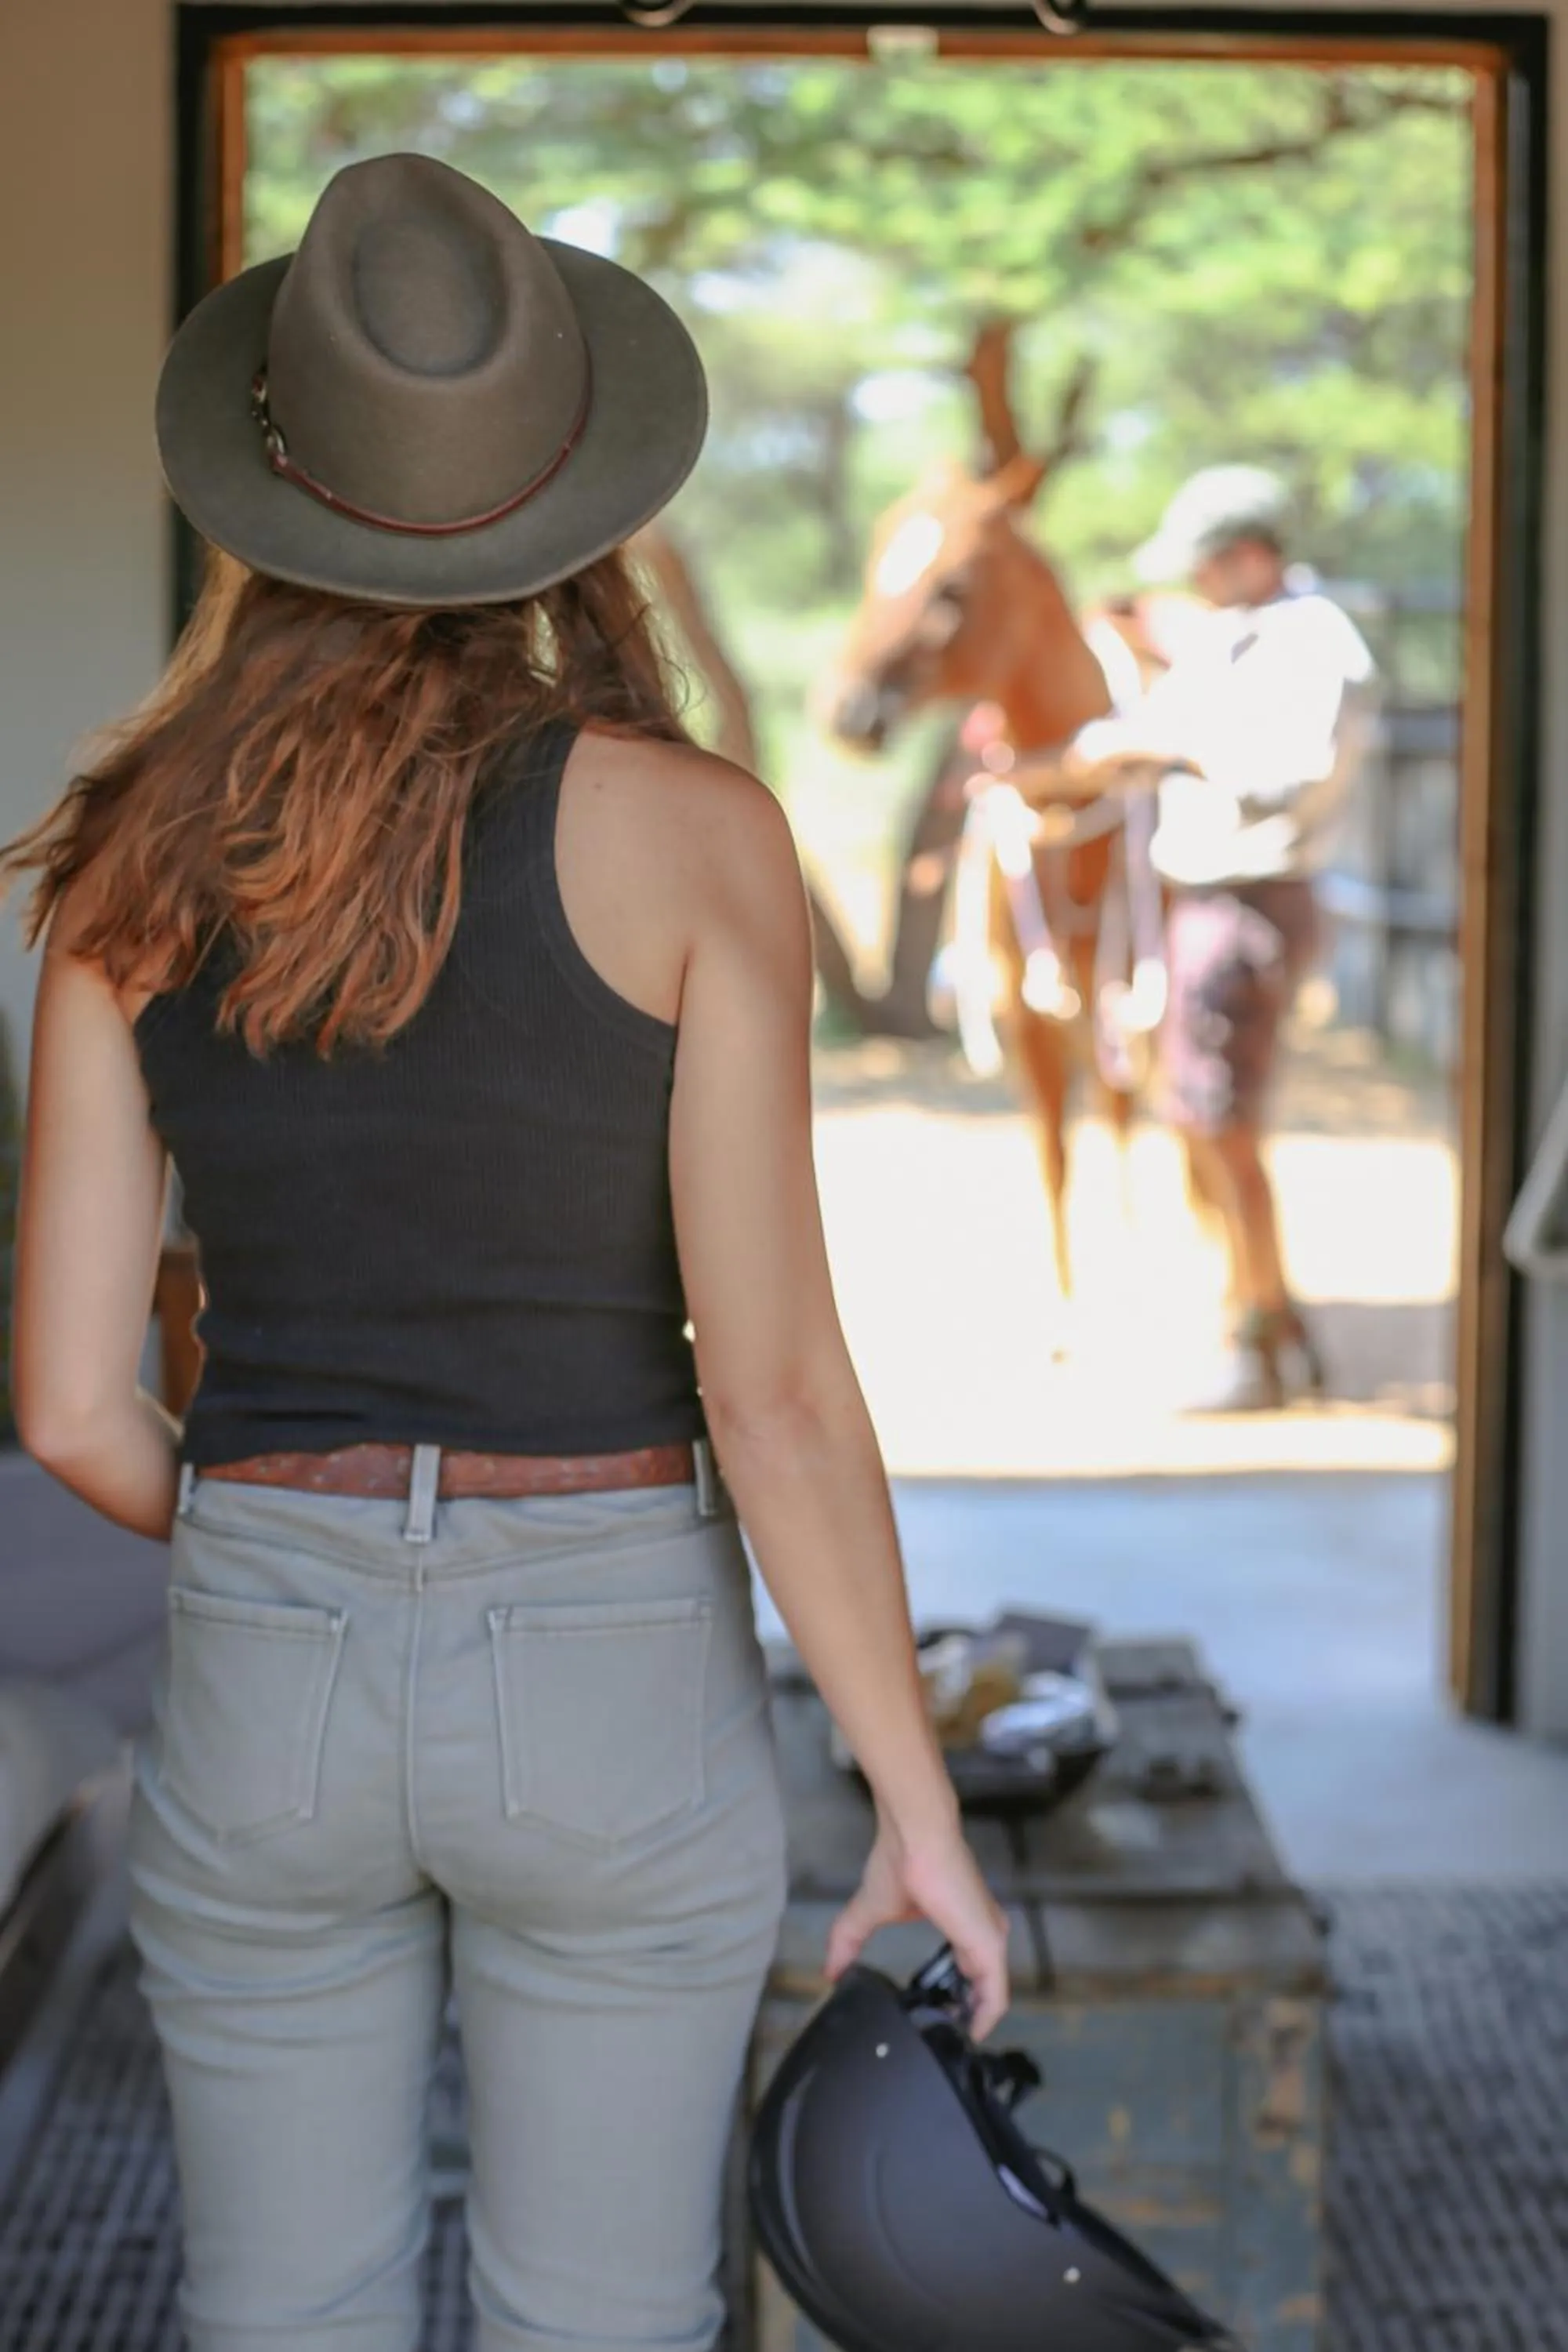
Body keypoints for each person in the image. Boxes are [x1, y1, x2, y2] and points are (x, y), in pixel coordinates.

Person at [5, 153, 1008, 2352]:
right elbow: (773, 1392)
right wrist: (912, 1801)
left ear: (271, 498)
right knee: (606, 2318)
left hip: (264, 1649)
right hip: (609, 1655)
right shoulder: (699, 840)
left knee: (283, 2318)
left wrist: (288, 1534)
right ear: (580, 500)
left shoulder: (128, 861)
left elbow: (71, 1408)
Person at [1071, 465, 1377, 1408]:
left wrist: (1156, 750)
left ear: (1246, 556)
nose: (1194, 585)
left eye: (1204, 565)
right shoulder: (1234, 637)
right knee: (1202, 1115)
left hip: (1250, 901)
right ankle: (1270, 1318)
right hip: (1208, 902)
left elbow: (1283, 776)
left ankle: (1258, 1336)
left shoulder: (1312, 643)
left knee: (1218, 1121)